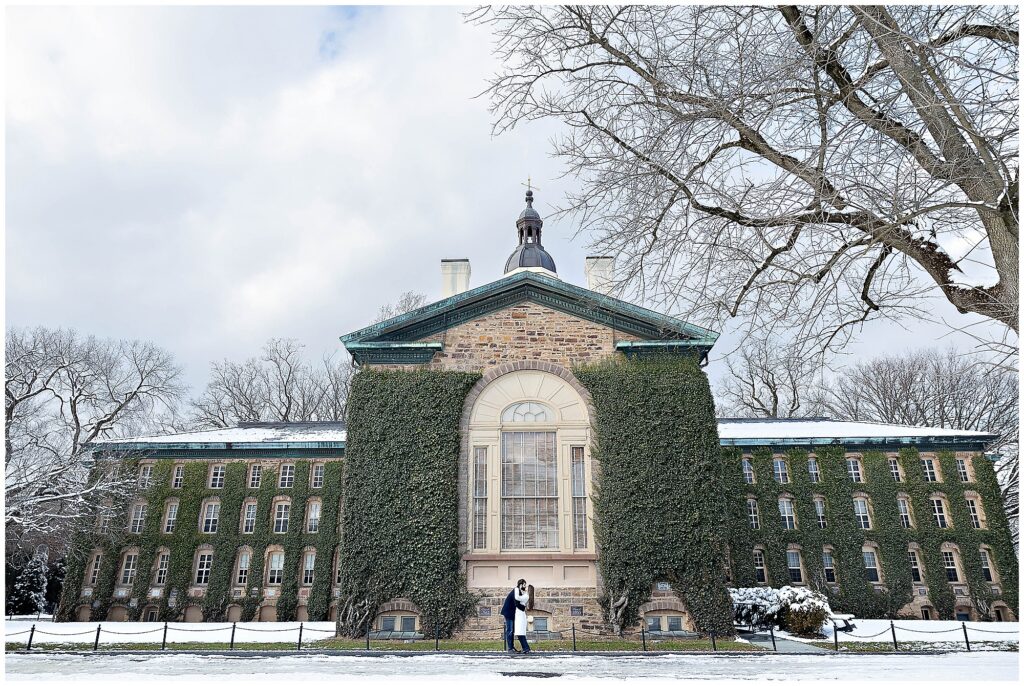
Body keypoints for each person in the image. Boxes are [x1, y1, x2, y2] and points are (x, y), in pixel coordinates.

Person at [500, 579, 527, 652]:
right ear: (521, 584)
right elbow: (517, 603)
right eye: (524, 585)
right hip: (509, 613)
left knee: (514, 630)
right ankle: (510, 648)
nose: (525, 586)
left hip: (513, 613)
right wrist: (524, 608)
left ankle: (514, 647)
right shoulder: (516, 590)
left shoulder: (519, 592)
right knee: (510, 630)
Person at [513, 583, 534, 654]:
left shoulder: (526, 596)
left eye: (526, 587)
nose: (525, 587)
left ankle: (526, 648)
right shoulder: (525, 595)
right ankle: (525, 648)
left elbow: (517, 598)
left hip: (521, 616)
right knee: (519, 633)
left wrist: (516, 589)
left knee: (520, 634)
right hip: (519, 615)